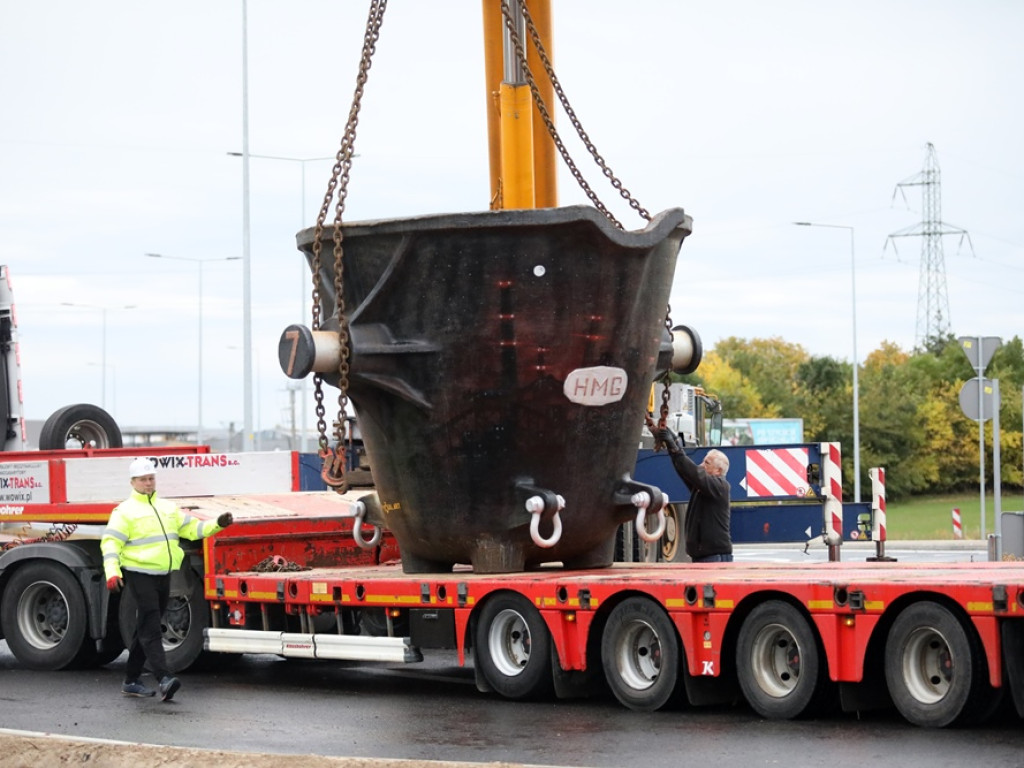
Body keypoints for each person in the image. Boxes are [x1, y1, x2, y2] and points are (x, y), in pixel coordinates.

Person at [101, 457, 233, 701]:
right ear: (132, 482)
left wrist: (217, 524)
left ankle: (131, 680)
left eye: (151, 478)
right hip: (139, 574)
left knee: (145, 626)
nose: (148, 483)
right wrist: (113, 572)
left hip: (164, 574)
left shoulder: (167, 508)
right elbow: (110, 543)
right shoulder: (124, 512)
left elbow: (194, 530)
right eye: (143, 480)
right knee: (151, 626)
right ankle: (164, 677)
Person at [652, 426, 733, 563]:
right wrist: (674, 446)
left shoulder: (720, 486)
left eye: (706, 463)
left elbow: (694, 473)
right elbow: (686, 472)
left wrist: (676, 448)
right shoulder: (703, 487)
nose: (701, 465)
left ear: (718, 471)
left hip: (714, 558)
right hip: (705, 556)